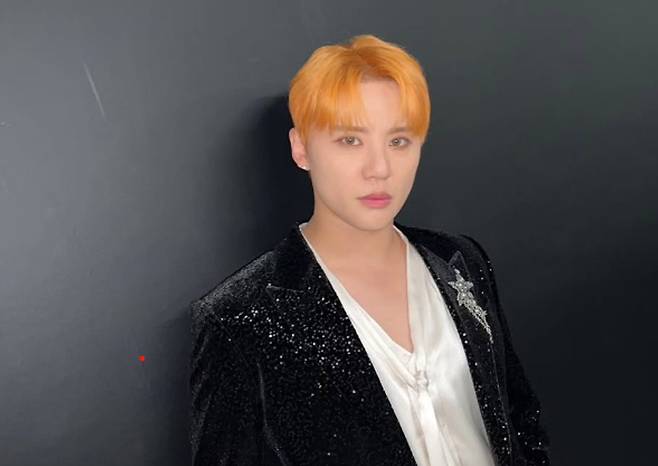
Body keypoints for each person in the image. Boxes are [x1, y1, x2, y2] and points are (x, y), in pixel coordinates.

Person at [189, 34, 551, 466]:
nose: (379, 169)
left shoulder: (461, 260)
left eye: (398, 141)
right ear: (301, 148)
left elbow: (520, 421)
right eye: (350, 140)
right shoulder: (238, 317)